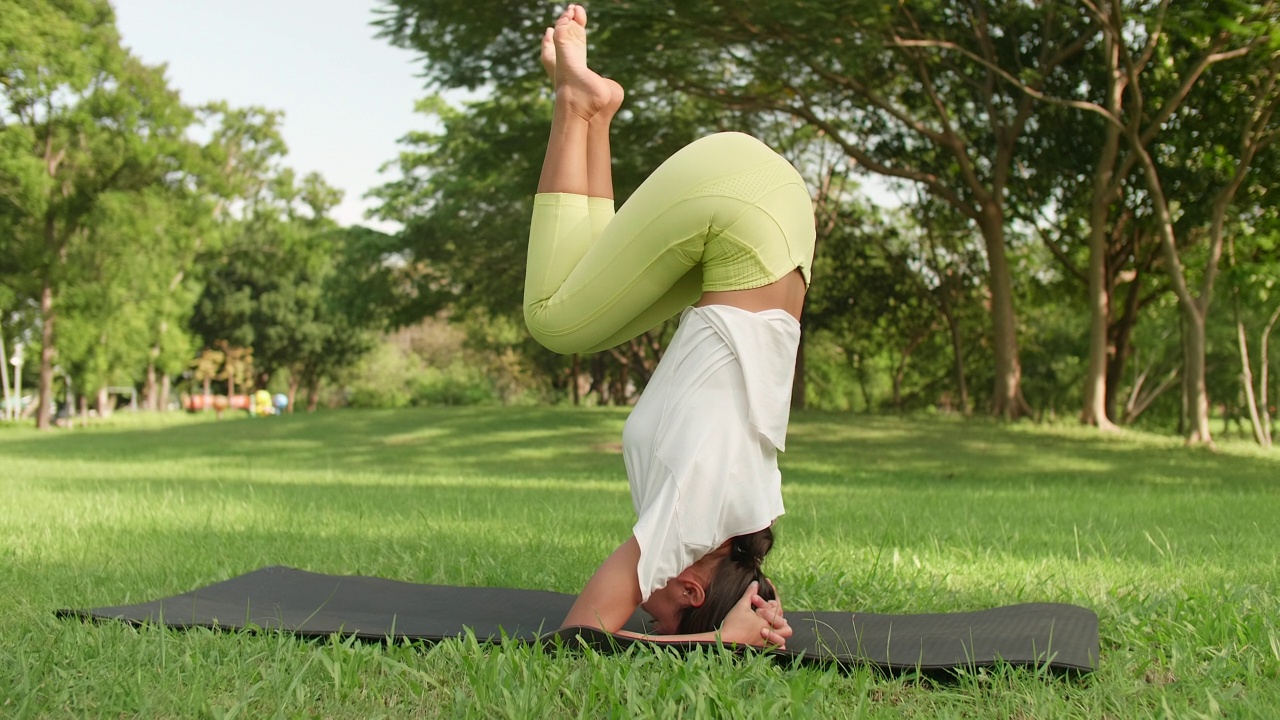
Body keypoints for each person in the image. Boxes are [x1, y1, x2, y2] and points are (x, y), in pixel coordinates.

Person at [526, 5, 813, 648]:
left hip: (773, 220)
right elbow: (579, 639)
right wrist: (719, 641)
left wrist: (751, 605)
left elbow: (747, 583)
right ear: (687, 591)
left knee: (581, 298)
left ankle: (591, 110)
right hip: (735, 208)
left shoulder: (745, 515)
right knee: (552, 319)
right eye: (654, 618)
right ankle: (577, 106)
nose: (638, 610)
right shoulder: (684, 531)